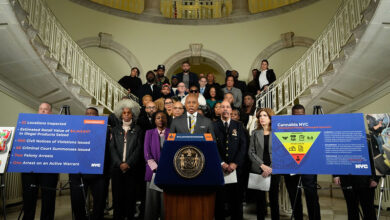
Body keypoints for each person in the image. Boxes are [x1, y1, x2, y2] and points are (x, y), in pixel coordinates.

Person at [70, 107, 110, 220]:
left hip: (99, 173)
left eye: (93, 114)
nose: (90, 115)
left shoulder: (106, 131)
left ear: (97, 117)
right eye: (87, 113)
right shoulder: (76, 130)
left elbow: (109, 151)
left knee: (99, 202)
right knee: (78, 202)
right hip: (80, 172)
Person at [21, 102, 59, 220]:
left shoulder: (57, 127)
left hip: (49, 168)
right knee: (28, 198)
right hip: (30, 168)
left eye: (45, 109)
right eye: (40, 109)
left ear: (50, 112)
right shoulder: (28, 125)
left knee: (48, 198)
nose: (42, 111)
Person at [283, 104, 321, 220]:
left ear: (305, 114)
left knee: (312, 196)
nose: (299, 118)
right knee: (294, 196)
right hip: (290, 167)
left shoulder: (312, 127)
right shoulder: (284, 128)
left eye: (301, 115)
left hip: (309, 167)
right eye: (296, 115)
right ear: (292, 116)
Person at [214, 101, 247, 220]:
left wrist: (235, 163)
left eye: (228, 107)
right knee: (220, 201)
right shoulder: (213, 126)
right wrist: (222, 163)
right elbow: (212, 147)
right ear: (219, 110)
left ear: (231, 110)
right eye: (222, 107)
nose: (225, 109)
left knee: (236, 201)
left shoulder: (238, 125)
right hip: (219, 169)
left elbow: (243, 146)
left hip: (236, 170)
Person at [110, 99, 142, 220]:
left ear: (132, 114)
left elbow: (138, 149)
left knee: (130, 197)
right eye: (124, 113)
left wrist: (128, 163)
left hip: (132, 169)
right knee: (117, 197)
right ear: (121, 114)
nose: (127, 115)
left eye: (129, 113)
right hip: (117, 169)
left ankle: (129, 216)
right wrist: (119, 164)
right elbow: (112, 149)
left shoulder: (138, 130)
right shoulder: (115, 129)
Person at [248, 108, 280, 220]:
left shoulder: (278, 132)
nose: (261, 118)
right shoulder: (255, 133)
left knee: (274, 200)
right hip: (259, 169)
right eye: (260, 116)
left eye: (265, 115)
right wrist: (262, 166)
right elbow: (251, 152)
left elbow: (281, 152)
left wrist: (270, 168)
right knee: (260, 201)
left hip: (274, 170)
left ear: (271, 118)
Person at [144, 111, 170, 220]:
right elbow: (146, 152)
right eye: (158, 118)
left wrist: (164, 168)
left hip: (168, 173)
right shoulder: (149, 133)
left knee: (166, 203)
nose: (160, 120)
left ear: (166, 120)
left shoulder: (172, 133)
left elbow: (174, 153)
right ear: (154, 120)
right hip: (152, 172)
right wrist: (156, 167)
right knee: (152, 203)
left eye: (163, 117)